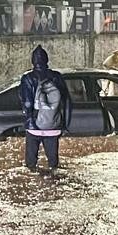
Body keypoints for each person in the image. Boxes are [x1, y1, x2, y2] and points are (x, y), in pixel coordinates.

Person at [19, 45, 73, 173]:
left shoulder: (27, 78)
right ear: (47, 59)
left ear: (33, 61)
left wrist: (31, 123)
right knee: (54, 165)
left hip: (34, 128)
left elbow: (27, 103)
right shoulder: (57, 76)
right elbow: (67, 103)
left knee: (30, 166)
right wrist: (64, 125)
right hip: (53, 126)